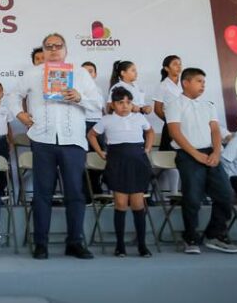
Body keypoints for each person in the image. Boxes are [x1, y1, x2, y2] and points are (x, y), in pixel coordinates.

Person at [9, 33, 100, 260]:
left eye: (58, 46)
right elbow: (12, 96)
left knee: (75, 194)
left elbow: (98, 102)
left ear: (65, 49)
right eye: (48, 46)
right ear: (43, 50)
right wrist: (20, 114)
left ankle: (75, 242)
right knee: (42, 194)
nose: (53, 50)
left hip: (73, 141)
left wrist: (80, 97)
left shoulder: (79, 73)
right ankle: (41, 243)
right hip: (43, 139)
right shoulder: (32, 74)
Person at [166, 68, 237, 254]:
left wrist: (216, 152)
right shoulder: (174, 104)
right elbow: (175, 132)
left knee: (225, 194)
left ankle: (214, 235)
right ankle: (190, 237)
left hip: (211, 153)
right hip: (188, 155)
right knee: (192, 197)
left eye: (204, 82)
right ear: (186, 82)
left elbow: (215, 130)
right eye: (199, 81)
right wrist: (195, 154)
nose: (203, 85)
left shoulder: (208, 105)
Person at [87, 87, 155, 257]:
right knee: (121, 203)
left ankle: (142, 245)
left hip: (138, 162)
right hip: (117, 162)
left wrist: (147, 147)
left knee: (138, 204)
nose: (124, 106)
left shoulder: (139, 117)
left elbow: (150, 131)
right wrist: (100, 152)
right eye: (120, 103)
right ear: (113, 104)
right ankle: (120, 245)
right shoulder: (106, 120)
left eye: (128, 102)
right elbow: (91, 135)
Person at [81, 61, 105, 197]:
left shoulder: (99, 89)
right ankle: (86, 193)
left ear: (95, 74)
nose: (87, 74)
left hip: (99, 125)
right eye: (84, 71)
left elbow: (101, 108)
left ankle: (97, 190)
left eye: (90, 71)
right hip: (84, 124)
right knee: (84, 160)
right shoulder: (77, 89)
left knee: (99, 158)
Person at [153, 55, 183, 150]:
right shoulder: (163, 86)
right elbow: (157, 109)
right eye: (175, 64)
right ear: (166, 68)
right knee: (170, 152)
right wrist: (169, 121)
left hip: (187, 122)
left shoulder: (185, 83)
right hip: (171, 124)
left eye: (180, 64)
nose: (179, 67)